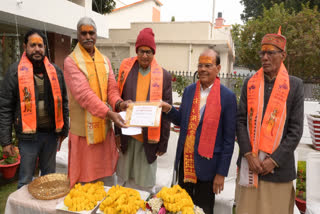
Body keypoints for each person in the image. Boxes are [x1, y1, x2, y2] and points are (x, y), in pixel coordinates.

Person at [161, 48, 237, 214]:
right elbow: (183, 121)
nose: (202, 69)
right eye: (200, 65)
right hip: (186, 163)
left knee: (203, 209)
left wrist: (221, 173)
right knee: (181, 207)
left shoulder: (228, 97)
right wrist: (168, 110)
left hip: (209, 167)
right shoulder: (189, 91)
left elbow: (228, 140)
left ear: (218, 68)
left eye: (208, 65)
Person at [235, 32, 304, 214]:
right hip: (250, 167)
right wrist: (249, 154)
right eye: (262, 53)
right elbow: (240, 121)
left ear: (283, 55)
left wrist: (273, 160)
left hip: (278, 171)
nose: (264, 58)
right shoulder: (249, 83)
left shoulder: (295, 86)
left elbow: (295, 131)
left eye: (271, 53)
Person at [63, 17, 129, 187]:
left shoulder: (105, 60)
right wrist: (109, 113)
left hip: (104, 134)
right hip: (83, 136)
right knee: (84, 187)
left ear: (96, 35)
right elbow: (84, 95)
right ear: (77, 35)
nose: (88, 37)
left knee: (106, 185)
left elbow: (112, 89)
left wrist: (120, 104)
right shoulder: (71, 62)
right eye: (83, 33)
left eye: (91, 33)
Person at [0, 29, 69, 188]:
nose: (37, 49)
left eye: (40, 45)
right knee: (25, 180)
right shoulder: (14, 72)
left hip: (51, 135)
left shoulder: (55, 72)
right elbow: (4, 108)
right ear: (25, 46)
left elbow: (63, 102)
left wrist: (63, 131)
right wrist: (6, 141)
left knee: (49, 180)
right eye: (33, 45)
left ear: (45, 48)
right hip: (27, 138)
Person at [116, 28, 172, 192]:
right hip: (128, 136)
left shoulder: (163, 76)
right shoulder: (126, 72)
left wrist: (164, 141)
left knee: (144, 184)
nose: (145, 56)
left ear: (154, 52)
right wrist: (117, 134)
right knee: (124, 180)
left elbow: (166, 112)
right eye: (141, 51)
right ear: (137, 51)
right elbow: (117, 103)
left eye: (149, 52)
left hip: (149, 139)